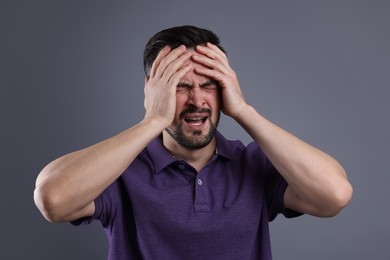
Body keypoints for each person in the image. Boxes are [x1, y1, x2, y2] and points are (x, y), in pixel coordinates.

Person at [34, 25, 353, 259]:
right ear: (152, 89)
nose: (198, 100)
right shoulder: (120, 170)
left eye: (209, 84)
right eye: (181, 86)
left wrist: (243, 111)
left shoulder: (253, 163)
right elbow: (52, 198)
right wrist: (153, 120)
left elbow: (335, 195)